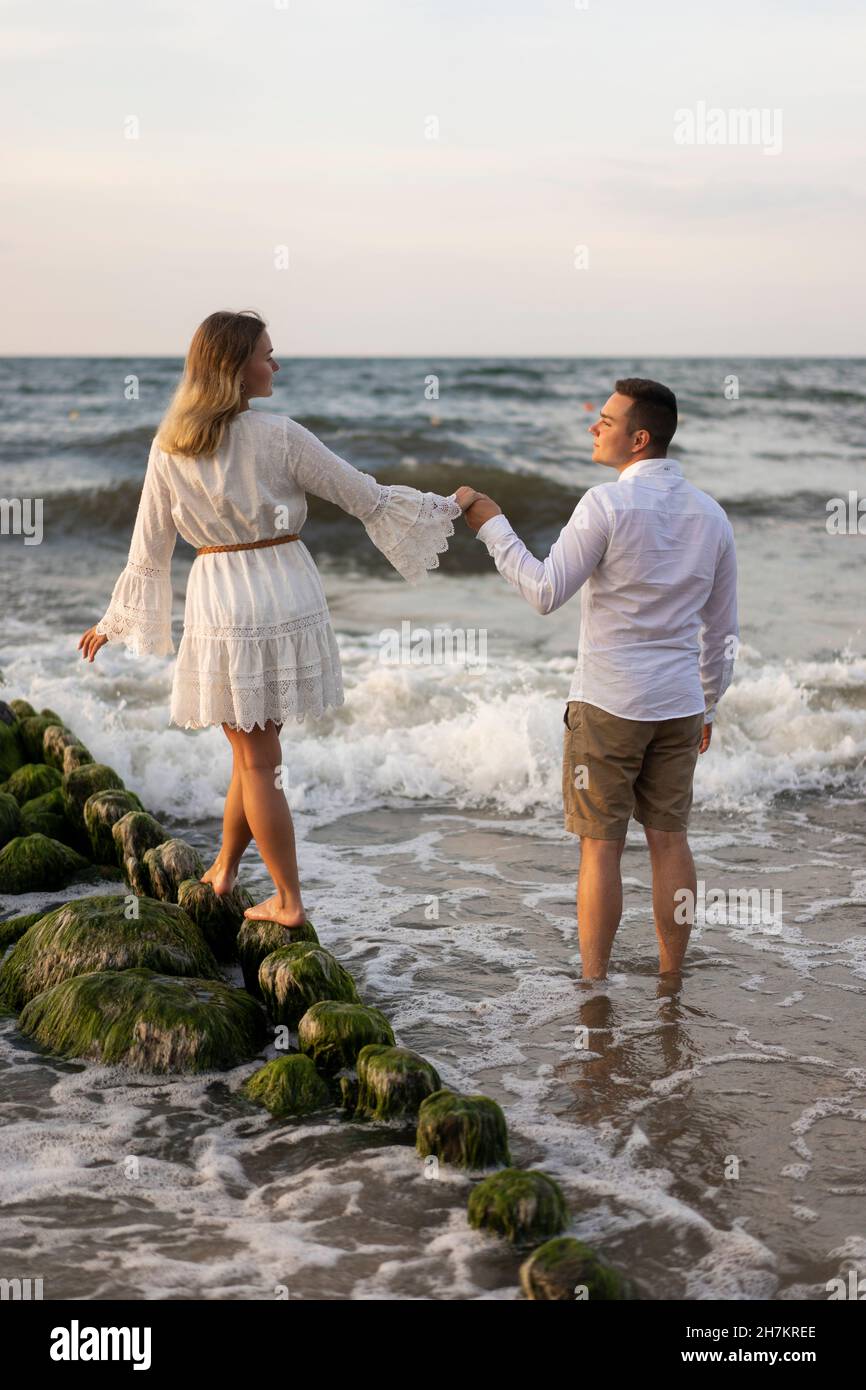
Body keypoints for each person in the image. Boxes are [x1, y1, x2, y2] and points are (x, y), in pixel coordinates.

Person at [79, 309, 467, 928]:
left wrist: (114, 619)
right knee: (253, 751)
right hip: (287, 589)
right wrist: (446, 505)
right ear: (235, 368)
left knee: (255, 754)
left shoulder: (170, 447)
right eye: (267, 353)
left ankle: (287, 901)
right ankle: (229, 868)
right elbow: (362, 496)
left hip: (224, 597)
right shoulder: (281, 435)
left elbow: (148, 548)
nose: (276, 363)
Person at [456, 378, 739, 982]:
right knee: (670, 841)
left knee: (601, 847)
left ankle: (594, 985)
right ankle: (670, 977)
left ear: (638, 438)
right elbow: (722, 632)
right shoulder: (712, 515)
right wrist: (708, 705)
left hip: (609, 702)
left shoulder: (604, 505)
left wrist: (491, 523)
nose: (594, 426)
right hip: (679, 704)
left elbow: (543, 591)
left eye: (606, 420)